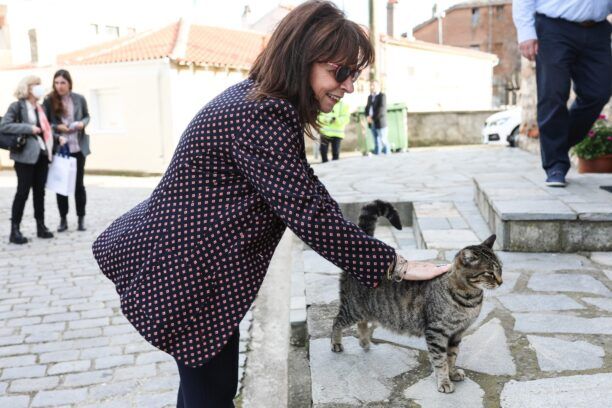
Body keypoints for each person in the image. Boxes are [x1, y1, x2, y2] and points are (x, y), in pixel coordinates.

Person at [92, 2, 450, 407]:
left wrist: (379, 258)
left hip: (186, 267)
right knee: (211, 393)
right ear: (303, 59)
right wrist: (393, 266)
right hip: (185, 272)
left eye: (355, 75)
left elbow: (307, 193)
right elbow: (309, 216)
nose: (349, 86)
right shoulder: (262, 112)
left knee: (206, 391)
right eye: (342, 72)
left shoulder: (260, 102)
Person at [512, 0, 612, 187]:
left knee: (599, 92)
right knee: (553, 93)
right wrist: (526, 32)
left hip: (597, 30)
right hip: (554, 28)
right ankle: (555, 164)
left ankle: (557, 145)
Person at [0, 76, 55, 244]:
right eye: (36, 85)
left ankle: (41, 226)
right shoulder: (16, 106)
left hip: (42, 154)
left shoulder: (40, 108)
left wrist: (57, 138)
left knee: (40, 192)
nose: (40, 88)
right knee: (22, 192)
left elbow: (46, 129)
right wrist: (29, 128)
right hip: (24, 156)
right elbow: (4, 125)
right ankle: (14, 230)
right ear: (28, 87)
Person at [43, 69, 91, 231]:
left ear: (69, 83)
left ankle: (81, 219)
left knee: (79, 185)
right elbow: (45, 123)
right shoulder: (49, 101)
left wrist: (82, 123)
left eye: (63, 82)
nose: (59, 86)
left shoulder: (79, 99)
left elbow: (87, 116)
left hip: (78, 147)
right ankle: (63, 219)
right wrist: (58, 127)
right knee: (62, 185)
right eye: (56, 83)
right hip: (61, 147)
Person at [365, 80, 390, 155]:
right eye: (371, 85)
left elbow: (381, 110)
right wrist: (367, 116)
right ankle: (377, 158)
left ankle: (388, 155)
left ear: (378, 86)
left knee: (383, 140)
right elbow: (367, 108)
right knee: (376, 141)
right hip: (372, 123)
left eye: (374, 85)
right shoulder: (370, 97)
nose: (372, 87)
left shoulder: (382, 96)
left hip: (380, 122)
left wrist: (372, 118)